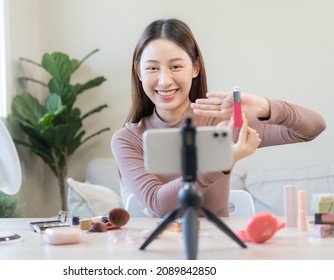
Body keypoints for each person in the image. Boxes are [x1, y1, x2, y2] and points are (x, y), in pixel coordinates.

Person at [111, 18, 326, 218]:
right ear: (139, 72)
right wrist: (222, 161)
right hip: (161, 251)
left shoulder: (222, 122)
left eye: (176, 66)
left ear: (195, 68)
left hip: (220, 246)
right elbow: (158, 203)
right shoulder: (128, 139)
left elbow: (313, 127)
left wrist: (264, 106)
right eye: (152, 68)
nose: (165, 80)